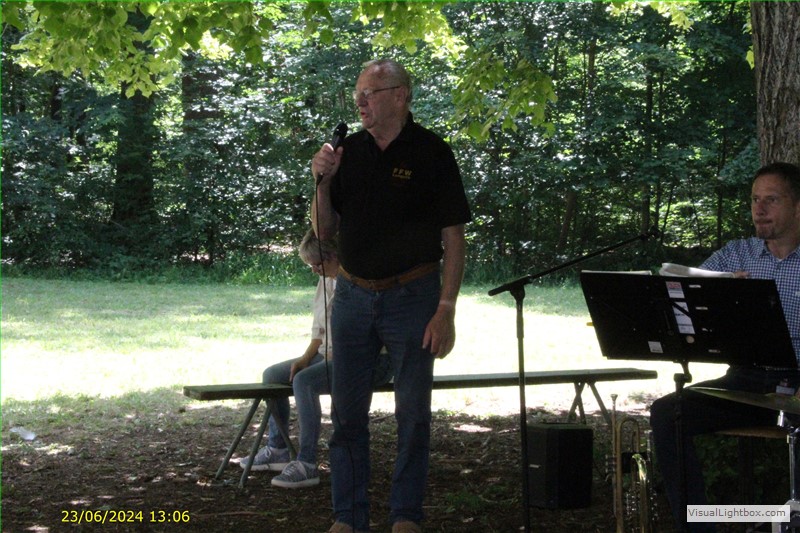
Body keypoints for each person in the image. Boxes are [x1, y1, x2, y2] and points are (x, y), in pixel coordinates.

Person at [311, 59, 471, 533]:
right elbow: (323, 231)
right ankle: (348, 516)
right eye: (357, 93)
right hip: (352, 298)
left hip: (413, 297)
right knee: (346, 415)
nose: (360, 102)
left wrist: (446, 309)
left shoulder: (432, 152)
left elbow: (454, 239)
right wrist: (322, 181)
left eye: (370, 93)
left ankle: (405, 515)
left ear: (400, 96)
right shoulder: (348, 152)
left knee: (413, 415)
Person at [650, 162, 800, 533]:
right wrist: (719, 294)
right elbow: (684, 292)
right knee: (669, 413)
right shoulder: (737, 254)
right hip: (745, 382)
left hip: (797, 381)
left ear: (798, 206)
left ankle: (784, 521)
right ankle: (700, 527)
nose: (759, 209)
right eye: (754, 200)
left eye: (771, 200)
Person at [239, 228, 393, 489]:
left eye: (317, 264)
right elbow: (319, 331)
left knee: (305, 382)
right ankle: (277, 449)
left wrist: (335, 357)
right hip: (328, 355)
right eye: (310, 265)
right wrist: (304, 358)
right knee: (272, 375)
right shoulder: (325, 280)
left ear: (335, 256)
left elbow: (375, 333)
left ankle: (307, 463)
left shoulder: (360, 281)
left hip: (369, 361)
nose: (314, 270)